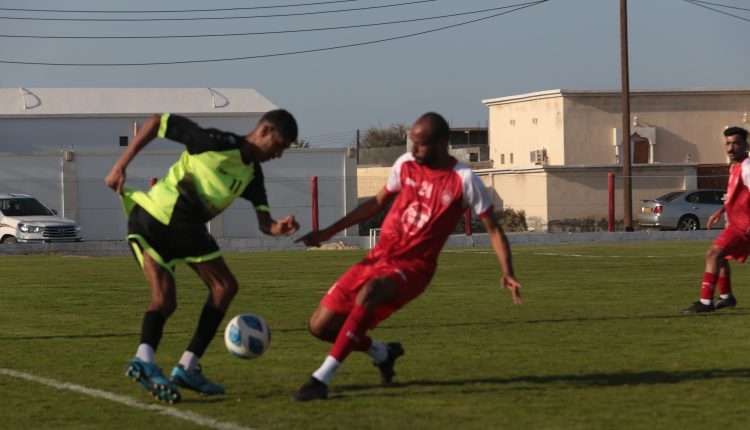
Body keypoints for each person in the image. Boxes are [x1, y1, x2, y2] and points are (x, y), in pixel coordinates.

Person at [291, 112, 522, 401]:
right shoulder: (405, 165)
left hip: (415, 267)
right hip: (378, 258)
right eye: (411, 142)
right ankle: (383, 353)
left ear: (441, 143)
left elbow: (494, 229)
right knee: (320, 326)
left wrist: (507, 271)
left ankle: (320, 379)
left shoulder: (464, 180)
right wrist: (328, 231)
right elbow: (376, 203)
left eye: (420, 144)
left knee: (371, 292)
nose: (413, 149)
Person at [105, 109, 300, 403]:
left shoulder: (252, 174)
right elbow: (157, 122)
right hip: (165, 217)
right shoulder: (215, 142)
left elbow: (264, 222)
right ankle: (186, 366)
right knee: (224, 286)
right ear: (264, 131)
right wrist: (120, 166)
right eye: (279, 146)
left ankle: (146, 359)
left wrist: (277, 228)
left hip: (155, 222)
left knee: (165, 300)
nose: (279, 155)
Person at [683, 126, 749, 314]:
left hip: (744, 227)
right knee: (720, 257)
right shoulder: (734, 167)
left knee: (714, 254)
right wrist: (720, 211)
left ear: (746, 145)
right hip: (735, 225)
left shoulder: (747, 167)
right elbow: (734, 196)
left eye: (736, 143)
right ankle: (726, 296)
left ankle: (705, 302)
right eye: (728, 143)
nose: (731, 148)